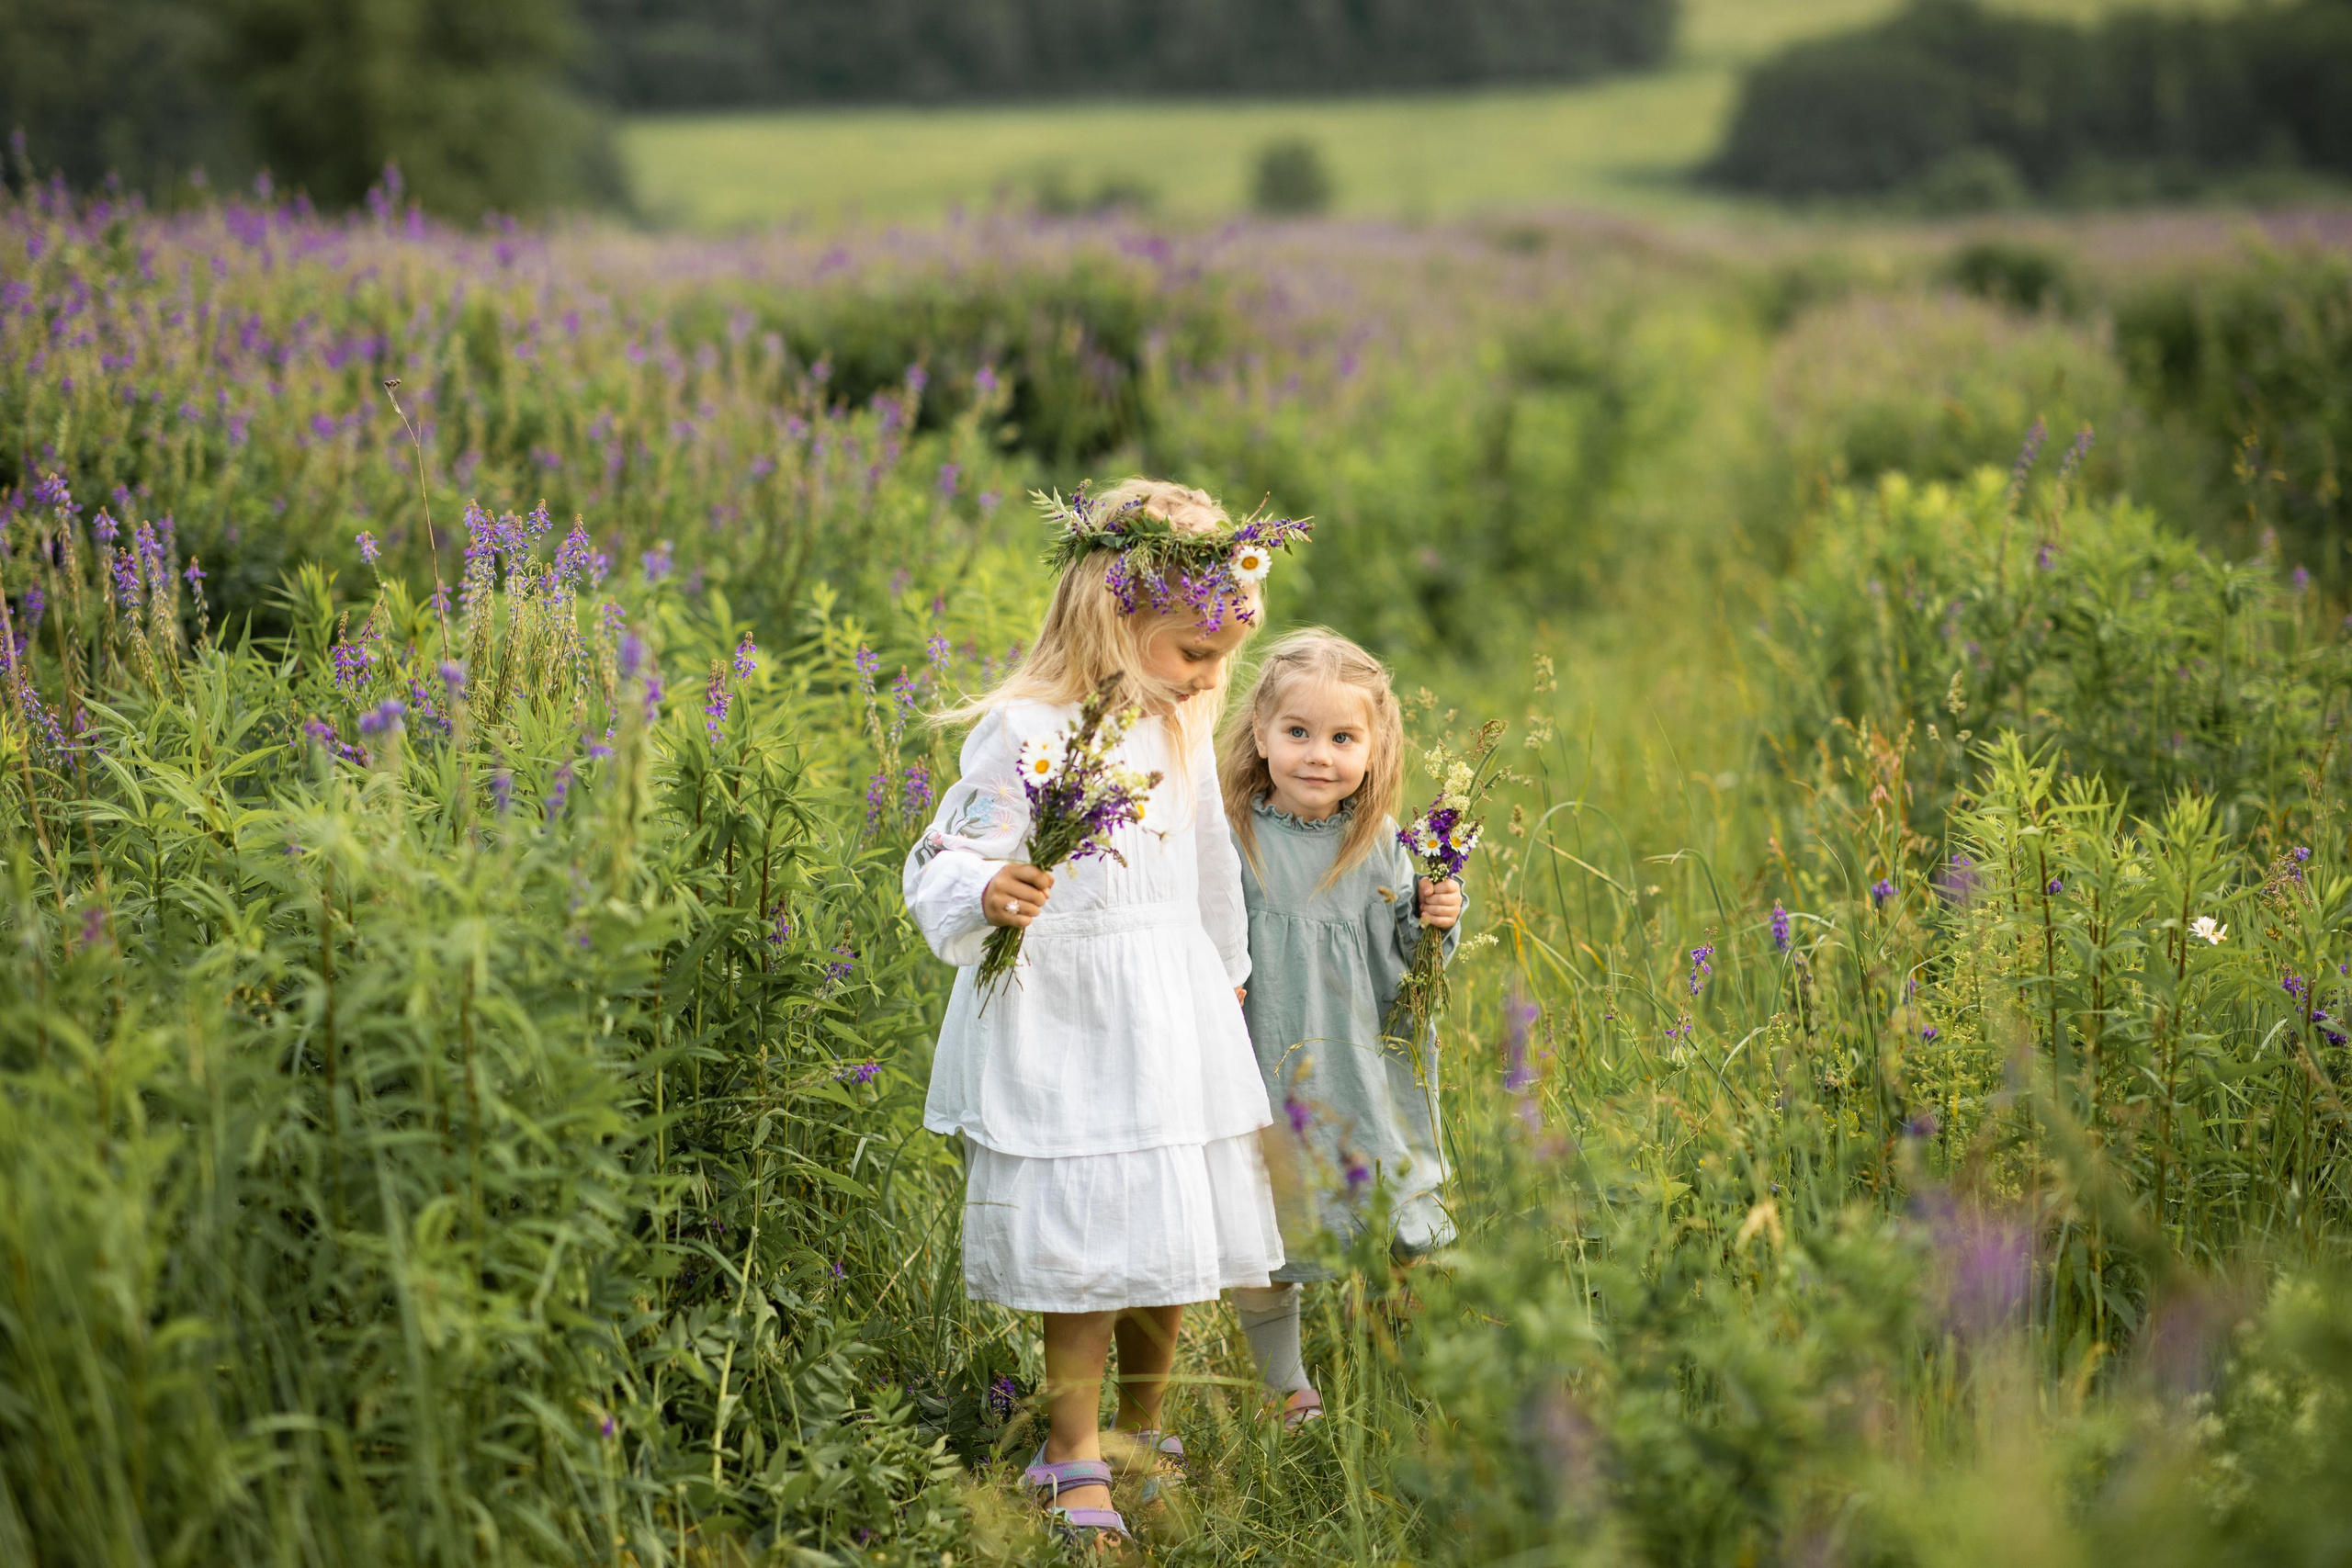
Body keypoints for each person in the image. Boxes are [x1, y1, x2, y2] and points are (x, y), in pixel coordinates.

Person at [902, 479, 1302, 1545]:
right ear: (1113, 618)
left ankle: (1145, 1431)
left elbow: (1210, 865)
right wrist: (985, 893)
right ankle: (1069, 1452)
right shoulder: (1025, 730)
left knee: (1169, 1232)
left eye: (1224, 657)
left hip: (1170, 1007)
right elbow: (948, 854)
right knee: (1088, 1239)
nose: (1216, 679)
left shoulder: (1179, 729)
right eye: (1193, 654)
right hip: (1071, 1010)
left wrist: (1227, 974)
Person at [1216, 628, 1464, 1427]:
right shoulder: (1233, 836)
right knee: (1269, 1227)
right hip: (1266, 1063)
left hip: (1362, 1064)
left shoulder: (1381, 844)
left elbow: (1413, 956)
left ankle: (1428, 1360)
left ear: (1373, 745)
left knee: (1400, 1211)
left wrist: (1438, 917)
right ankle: (1287, 1385)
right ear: (1261, 733)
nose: (1318, 755)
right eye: (1298, 732)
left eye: (1342, 737)